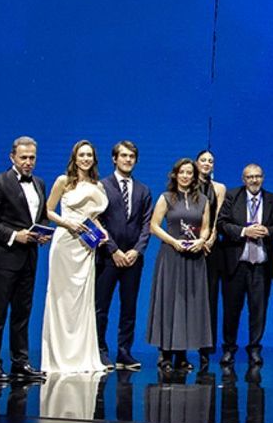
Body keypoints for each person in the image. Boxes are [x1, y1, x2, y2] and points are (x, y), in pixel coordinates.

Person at [0, 136, 51, 384]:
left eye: (32, 158)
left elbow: (40, 216)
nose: (28, 162)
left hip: (29, 258)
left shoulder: (39, 183)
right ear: (12, 157)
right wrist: (13, 235)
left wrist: (42, 232)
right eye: (24, 158)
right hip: (4, 257)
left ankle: (20, 363)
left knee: (22, 313)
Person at [40, 140, 111, 374]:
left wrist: (102, 232)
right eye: (82, 155)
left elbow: (93, 216)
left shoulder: (98, 186)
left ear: (94, 159)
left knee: (82, 301)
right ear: (75, 158)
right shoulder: (64, 181)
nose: (85, 159)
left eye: (89, 155)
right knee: (61, 298)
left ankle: (80, 356)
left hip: (86, 246)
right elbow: (48, 210)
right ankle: (59, 357)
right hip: (65, 244)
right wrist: (66, 222)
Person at [216, 163, 273, 367]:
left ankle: (255, 349)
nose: (254, 180)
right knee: (231, 309)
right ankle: (229, 349)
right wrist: (243, 231)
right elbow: (221, 223)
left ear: (263, 178)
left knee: (258, 310)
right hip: (236, 264)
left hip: (261, 265)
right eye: (250, 177)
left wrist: (269, 231)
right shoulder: (232, 197)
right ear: (243, 179)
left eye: (257, 176)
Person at [145, 158, 212, 373]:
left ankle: (182, 356)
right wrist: (173, 242)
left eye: (189, 173)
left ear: (194, 176)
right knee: (169, 302)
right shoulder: (166, 198)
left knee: (189, 304)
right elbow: (154, 226)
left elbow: (206, 227)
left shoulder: (203, 200)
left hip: (194, 258)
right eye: (182, 172)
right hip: (171, 257)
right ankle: (165, 355)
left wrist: (201, 241)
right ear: (175, 175)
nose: (185, 176)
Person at [95, 140, 152, 371]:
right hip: (108, 256)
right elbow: (97, 221)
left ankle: (124, 352)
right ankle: (100, 350)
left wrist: (136, 250)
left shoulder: (143, 190)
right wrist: (113, 249)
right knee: (101, 306)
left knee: (129, 307)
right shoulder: (102, 186)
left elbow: (147, 224)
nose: (128, 160)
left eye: (132, 156)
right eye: (124, 155)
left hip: (133, 259)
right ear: (114, 159)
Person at [193, 149, 227, 370]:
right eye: (203, 160)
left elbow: (218, 217)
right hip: (188, 246)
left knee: (210, 299)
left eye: (210, 161)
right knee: (187, 297)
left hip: (211, 249)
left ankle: (205, 350)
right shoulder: (186, 185)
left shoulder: (219, 188)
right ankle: (179, 350)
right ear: (196, 163)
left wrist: (211, 238)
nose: (207, 163)